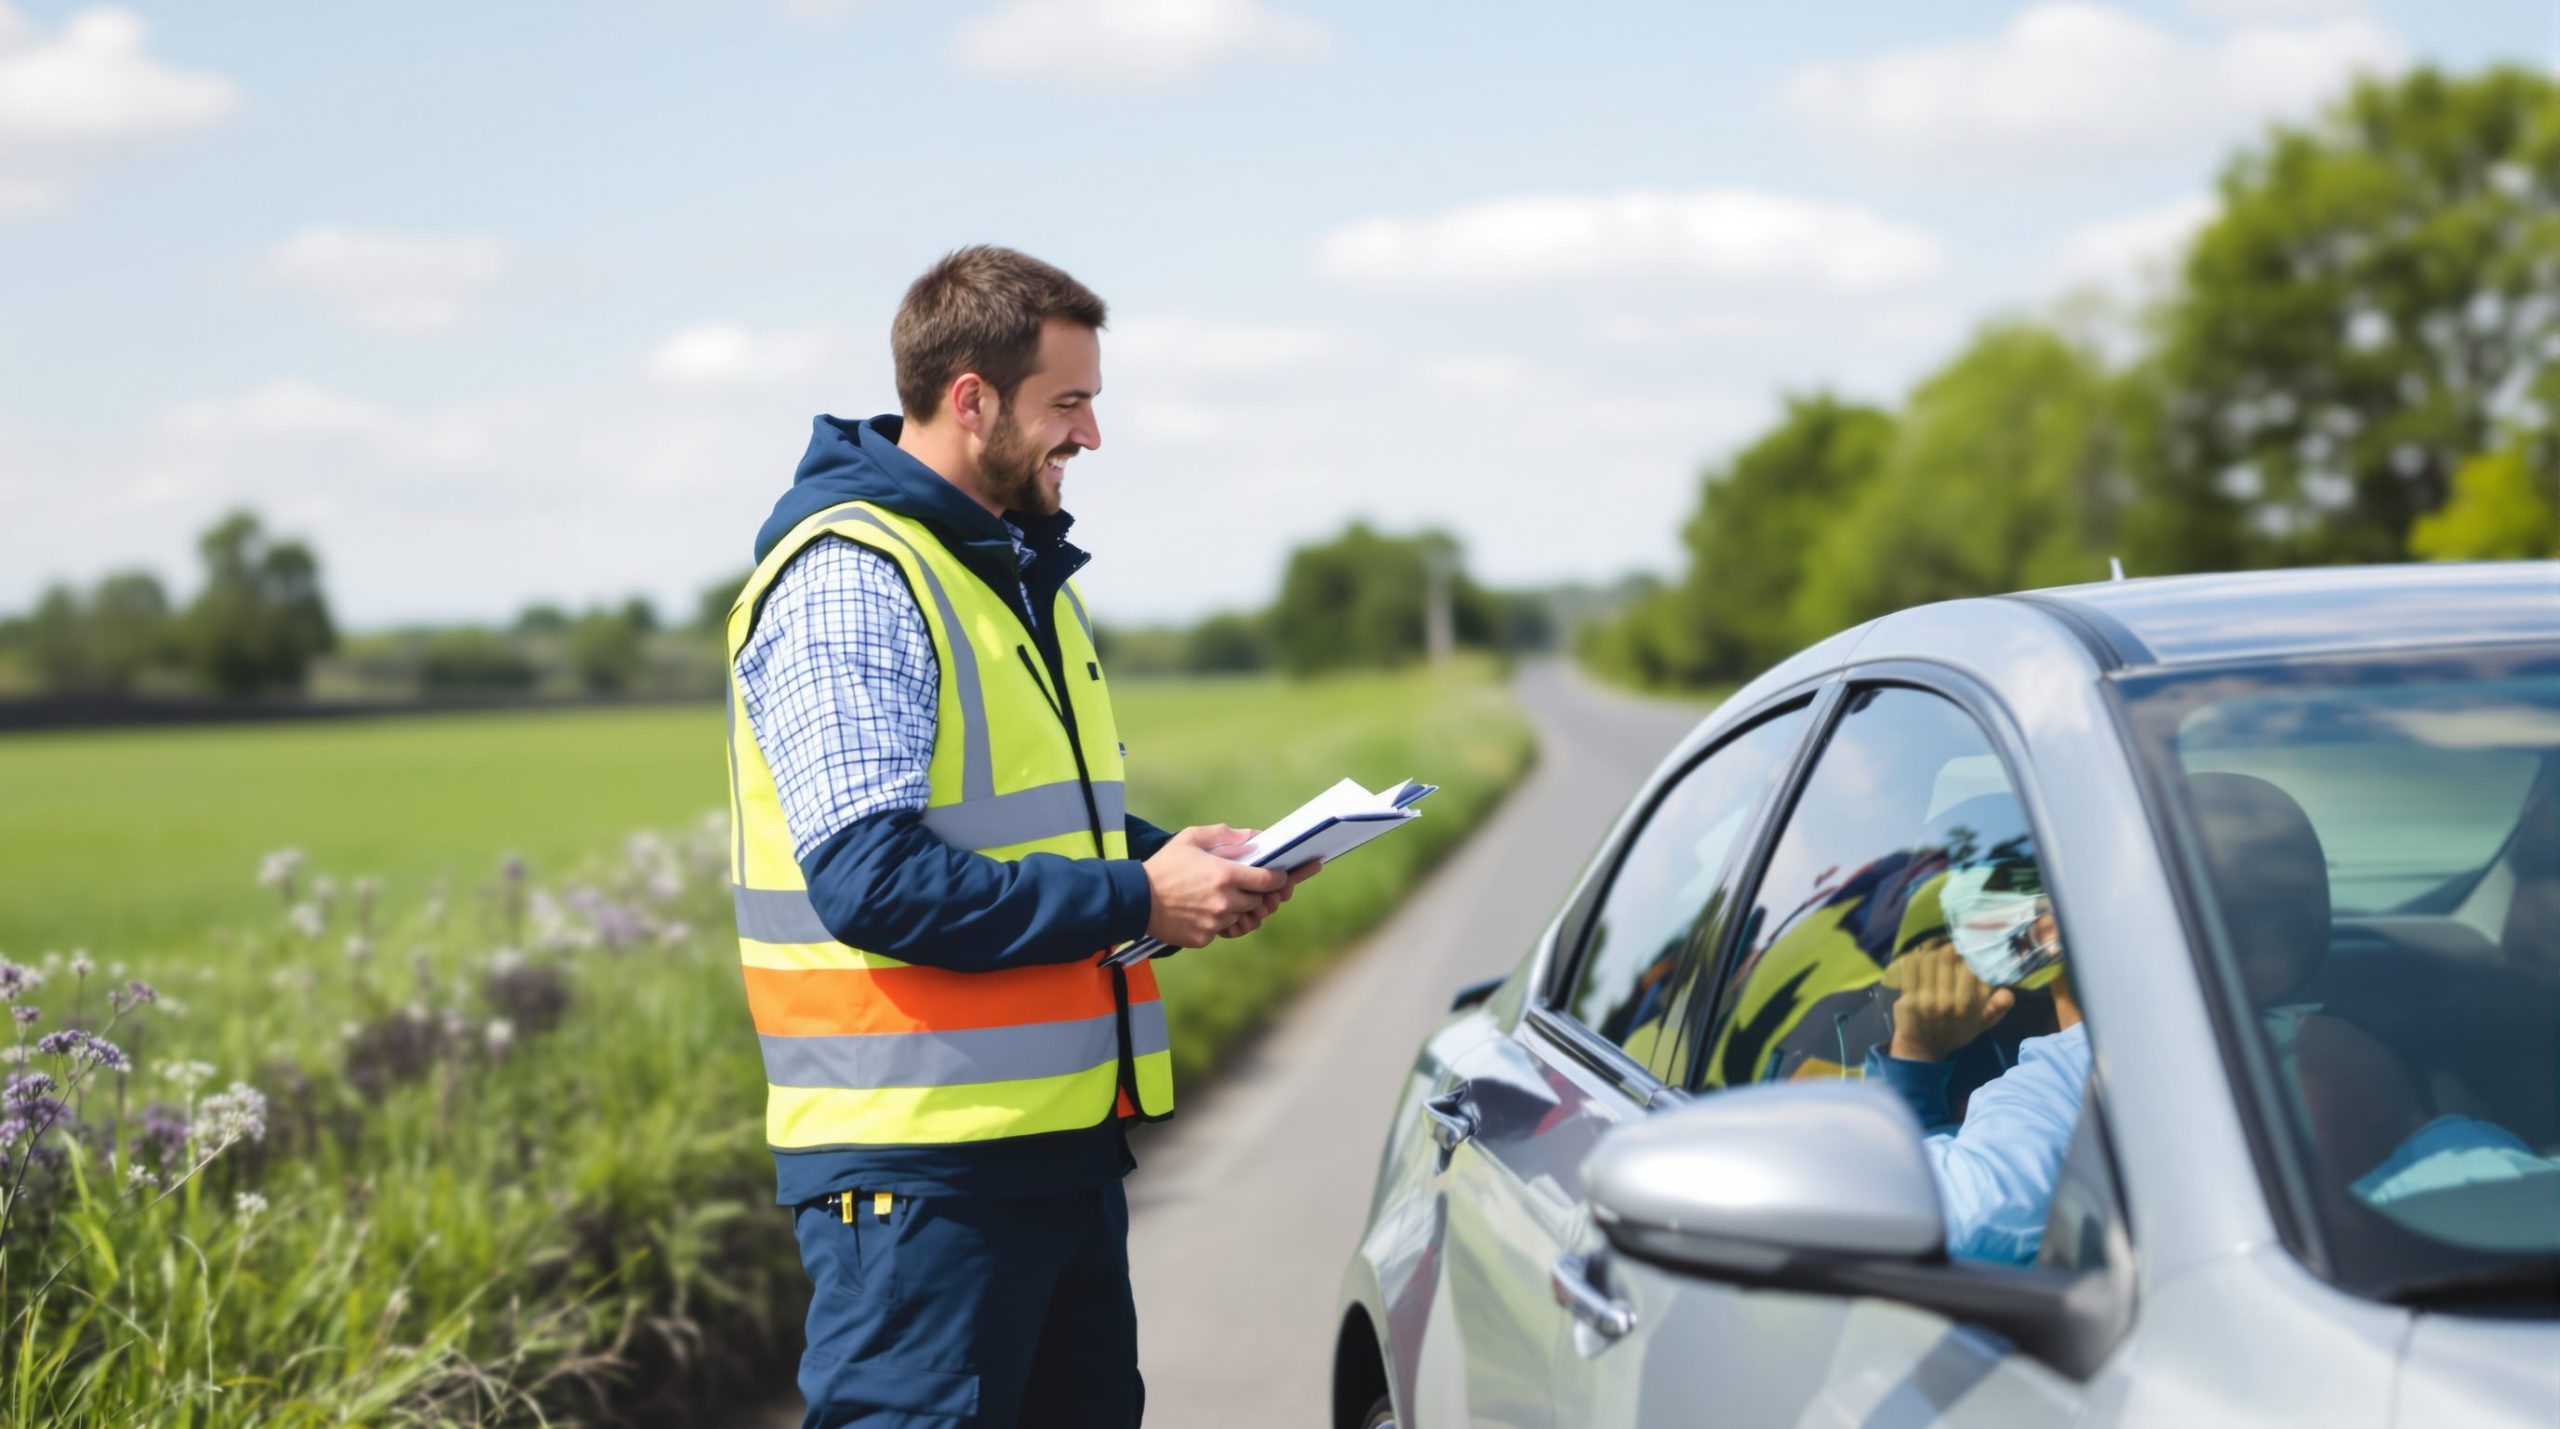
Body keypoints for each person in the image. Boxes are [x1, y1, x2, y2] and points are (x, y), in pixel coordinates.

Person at [722, 246, 1314, 1427]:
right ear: (970, 399)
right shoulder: (855, 576)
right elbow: (872, 880)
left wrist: (1173, 860)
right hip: (922, 1180)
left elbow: (1026, 825)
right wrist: (1138, 901)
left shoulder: (1005, 568)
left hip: (1053, 1154)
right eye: (1070, 403)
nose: (1090, 436)